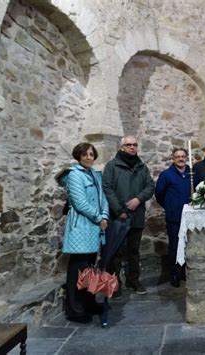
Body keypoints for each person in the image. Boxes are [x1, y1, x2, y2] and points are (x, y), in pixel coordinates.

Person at [57, 142, 109, 323]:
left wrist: (105, 215)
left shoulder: (95, 174)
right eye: (85, 154)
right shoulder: (74, 175)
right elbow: (79, 203)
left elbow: (103, 198)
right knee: (78, 268)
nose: (89, 157)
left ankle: (89, 302)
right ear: (78, 156)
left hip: (95, 225)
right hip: (81, 226)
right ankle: (75, 310)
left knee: (91, 267)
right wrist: (98, 218)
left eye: (91, 154)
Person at [102, 135, 155, 295]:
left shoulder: (141, 166)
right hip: (118, 217)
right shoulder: (112, 166)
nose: (132, 147)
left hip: (136, 215)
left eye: (135, 145)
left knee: (133, 251)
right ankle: (114, 284)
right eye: (129, 145)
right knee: (116, 252)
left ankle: (133, 281)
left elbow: (150, 185)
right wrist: (120, 210)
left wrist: (138, 199)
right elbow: (107, 188)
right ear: (121, 147)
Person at [155, 148, 196, 288]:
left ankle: (185, 272)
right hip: (174, 217)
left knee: (189, 245)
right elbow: (159, 194)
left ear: (186, 158)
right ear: (173, 159)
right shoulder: (167, 175)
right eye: (177, 156)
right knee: (175, 246)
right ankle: (174, 274)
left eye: (183, 156)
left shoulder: (192, 174)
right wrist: (169, 205)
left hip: (190, 217)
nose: (180, 159)